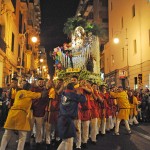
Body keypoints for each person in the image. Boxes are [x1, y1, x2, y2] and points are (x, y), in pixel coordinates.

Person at [0, 83, 47, 150]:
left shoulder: (18, 92)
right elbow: (42, 95)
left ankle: (2, 148)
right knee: (22, 136)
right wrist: (44, 88)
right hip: (21, 114)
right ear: (30, 88)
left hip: (12, 113)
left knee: (7, 134)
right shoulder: (30, 93)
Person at [57, 83, 86, 150]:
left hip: (62, 118)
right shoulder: (73, 95)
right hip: (68, 120)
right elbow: (84, 99)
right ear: (73, 88)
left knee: (65, 140)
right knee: (69, 140)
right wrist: (80, 93)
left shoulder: (63, 94)